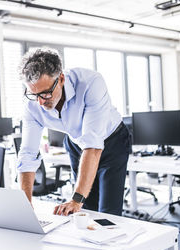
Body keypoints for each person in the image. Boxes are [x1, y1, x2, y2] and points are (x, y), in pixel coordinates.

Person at [17, 47, 131, 216]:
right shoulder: (32, 105)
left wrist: (76, 199)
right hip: (77, 143)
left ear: (61, 79)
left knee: (108, 212)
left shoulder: (91, 82)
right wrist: (24, 204)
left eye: (46, 94)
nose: (40, 102)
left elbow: (93, 143)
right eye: (34, 95)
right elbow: (27, 154)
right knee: (85, 211)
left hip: (112, 141)